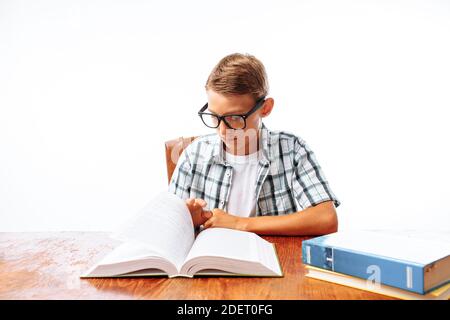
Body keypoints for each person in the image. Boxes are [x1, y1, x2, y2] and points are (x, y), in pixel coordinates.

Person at [168, 53, 341, 236]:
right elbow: (166, 226)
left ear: (265, 108)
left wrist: (239, 223)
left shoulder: (292, 150)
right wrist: (187, 220)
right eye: (214, 116)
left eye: (234, 118)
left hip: (268, 260)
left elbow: (326, 219)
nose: (222, 131)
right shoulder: (193, 154)